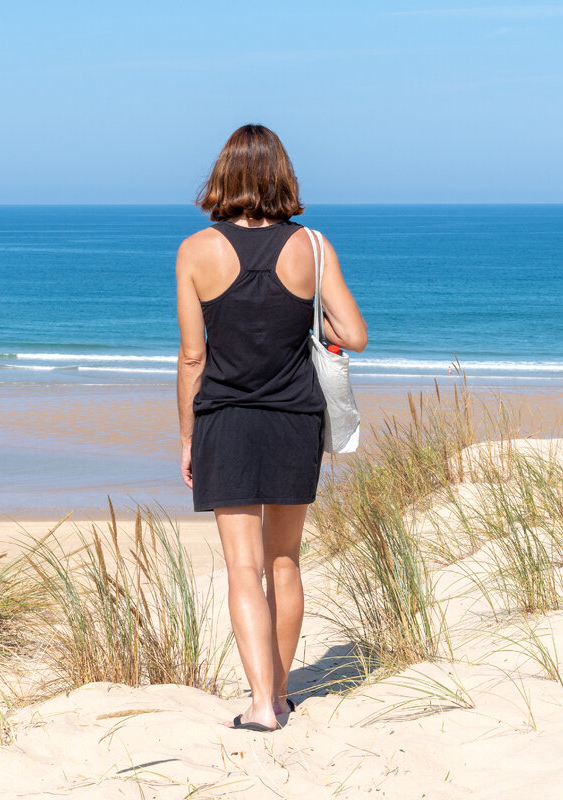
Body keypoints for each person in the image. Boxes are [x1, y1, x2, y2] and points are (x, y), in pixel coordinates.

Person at [175, 124, 367, 732]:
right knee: (284, 560)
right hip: (294, 418)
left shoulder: (195, 251)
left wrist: (186, 437)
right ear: (282, 176)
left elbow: (191, 358)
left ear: (223, 177)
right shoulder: (311, 246)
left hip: (225, 421)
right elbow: (354, 336)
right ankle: (280, 695)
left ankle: (260, 704)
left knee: (241, 568)